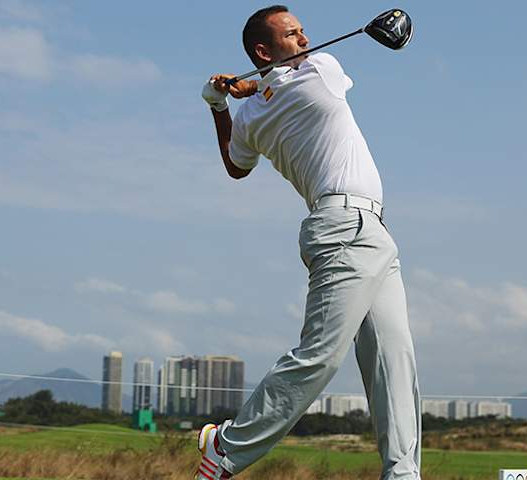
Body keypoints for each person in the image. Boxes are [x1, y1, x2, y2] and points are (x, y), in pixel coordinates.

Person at [196, 5, 421, 480]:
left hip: (372, 232)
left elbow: (238, 160)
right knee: (321, 354)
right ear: (264, 49)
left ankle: (402, 473)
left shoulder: (260, 109)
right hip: (342, 228)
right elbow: (239, 160)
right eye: (293, 34)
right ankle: (227, 447)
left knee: (393, 357)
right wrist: (232, 100)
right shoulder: (319, 71)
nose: (305, 39)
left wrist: (225, 101)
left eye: (303, 32)